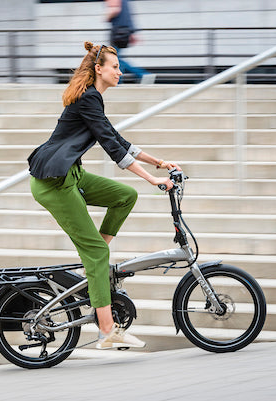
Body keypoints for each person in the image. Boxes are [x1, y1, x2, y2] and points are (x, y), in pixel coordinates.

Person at [27, 42, 180, 349]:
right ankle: (106, 331)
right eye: (115, 67)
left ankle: (94, 261)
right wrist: (153, 180)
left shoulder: (92, 99)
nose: (120, 72)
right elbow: (113, 148)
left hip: (72, 175)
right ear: (99, 69)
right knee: (98, 254)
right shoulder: (88, 99)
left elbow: (116, 138)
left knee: (123, 196)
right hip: (54, 183)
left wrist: (159, 162)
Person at [105, 0, 156, 84]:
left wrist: (106, 17)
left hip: (118, 31)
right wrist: (132, 32)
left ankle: (141, 74)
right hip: (124, 31)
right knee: (116, 57)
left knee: (114, 58)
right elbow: (128, 15)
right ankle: (119, 80)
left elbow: (114, 10)